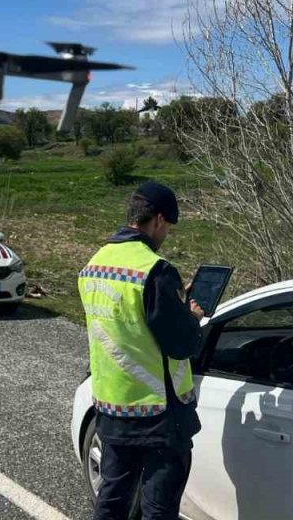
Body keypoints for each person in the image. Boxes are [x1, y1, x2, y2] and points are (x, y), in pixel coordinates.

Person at [79, 181, 205, 520]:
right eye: (168, 229)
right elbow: (182, 344)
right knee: (158, 509)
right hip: (157, 415)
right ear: (159, 220)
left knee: (113, 499)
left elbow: (126, 324)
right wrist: (191, 317)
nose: (166, 236)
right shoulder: (155, 270)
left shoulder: (96, 263)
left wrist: (172, 305)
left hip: (111, 406)